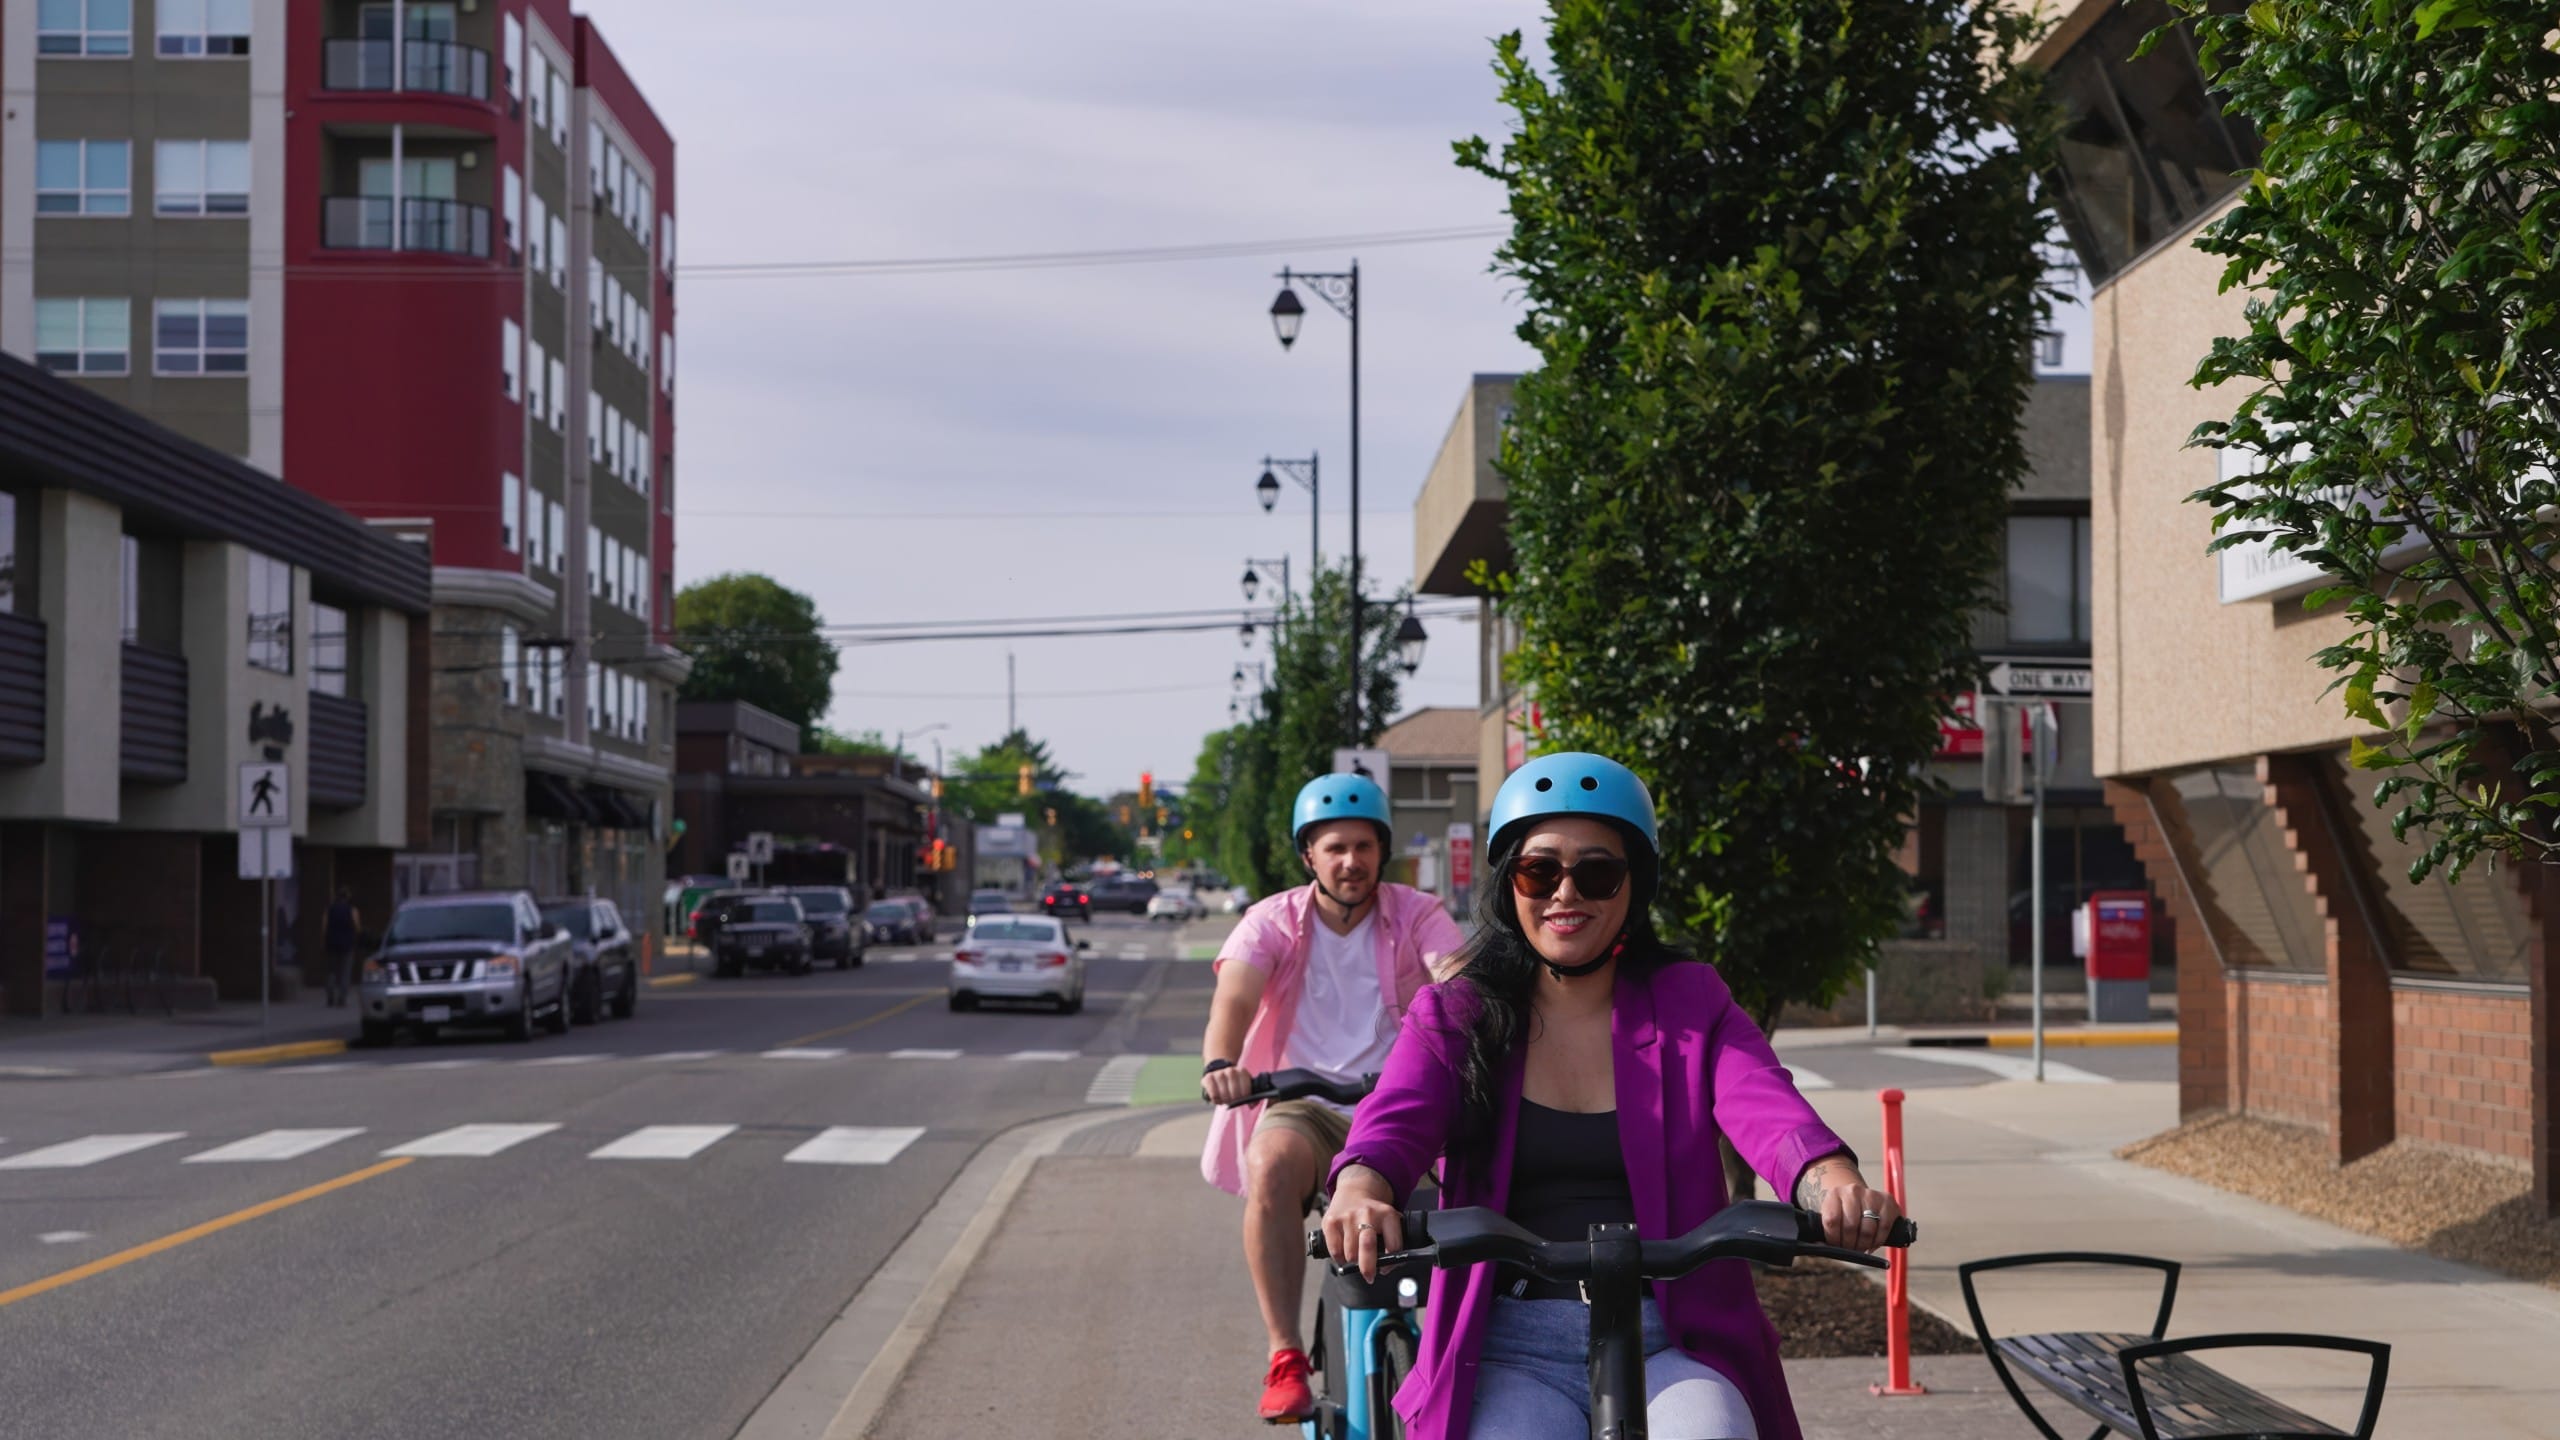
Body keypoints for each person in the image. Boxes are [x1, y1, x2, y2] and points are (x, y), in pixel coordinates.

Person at [1319, 753, 1905, 1440]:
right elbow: (1395, 1123)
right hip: (1504, 1346)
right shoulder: (1456, 1014)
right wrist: (1361, 1188)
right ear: (1510, 883)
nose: (1566, 894)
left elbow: (1767, 1107)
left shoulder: (1690, 1001)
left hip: (1672, 1336)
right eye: (1540, 871)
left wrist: (1829, 1182)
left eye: (1597, 872)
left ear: (1635, 886)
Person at [1199, 772, 1467, 1423]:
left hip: (1401, 1107)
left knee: (1467, 1204)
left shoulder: (1418, 913)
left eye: (1364, 846)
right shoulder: (1272, 921)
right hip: (1306, 1103)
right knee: (1272, 1165)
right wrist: (1221, 1062)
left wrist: (1475, 1023)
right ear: (1309, 856)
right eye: (1335, 847)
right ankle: (1286, 1353)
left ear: (1383, 850)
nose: (1351, 861)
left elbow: (1457, 980)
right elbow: (1234, 996)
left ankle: (1469, 1348)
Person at [323, 887, 361, 1008]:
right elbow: (357, 927)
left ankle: (330, 996)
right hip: (347, 945)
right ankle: (342, 998)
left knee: (331, 971)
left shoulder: (329, 909)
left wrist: (324, 941)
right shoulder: (352, 910)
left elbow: (323, 927)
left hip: (331, 944)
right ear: (347, 897)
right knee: (345, 971)